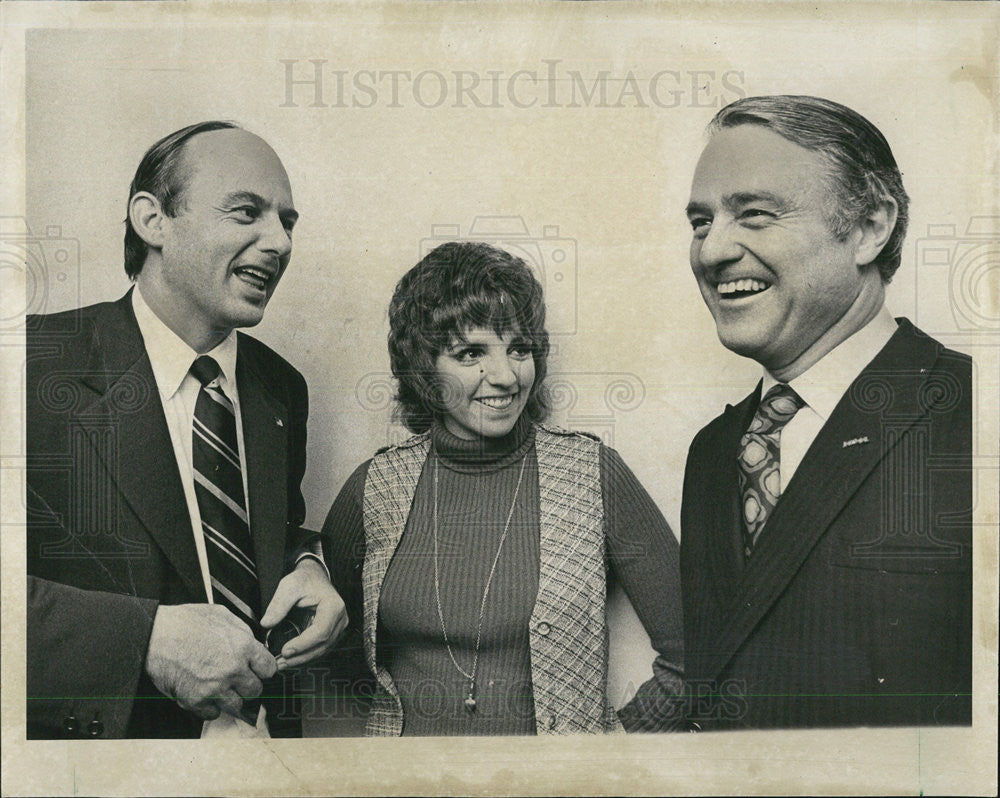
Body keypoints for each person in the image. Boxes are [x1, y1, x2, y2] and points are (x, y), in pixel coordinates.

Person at [26, 121, 347, 739]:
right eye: (246, 212)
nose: (278, 242)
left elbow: (268, 532)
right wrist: (142, 639)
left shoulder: (281, 389)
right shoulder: (31, 364)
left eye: (288, 221)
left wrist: (308, 564)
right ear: (153, 221)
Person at [680, 95, 972, 729]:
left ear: (869, 227)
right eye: (701, 222)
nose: (710, 252)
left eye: (754, 214)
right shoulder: (712, 451)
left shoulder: (973, 417)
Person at [322, 241, 683, 735]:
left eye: (519, 349)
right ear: (424, 368)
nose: (507, 376)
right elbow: (332, 661)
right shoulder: (374, 488)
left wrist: (610, 756)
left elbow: (695, 653)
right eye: (471, 353)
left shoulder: (592, 473)